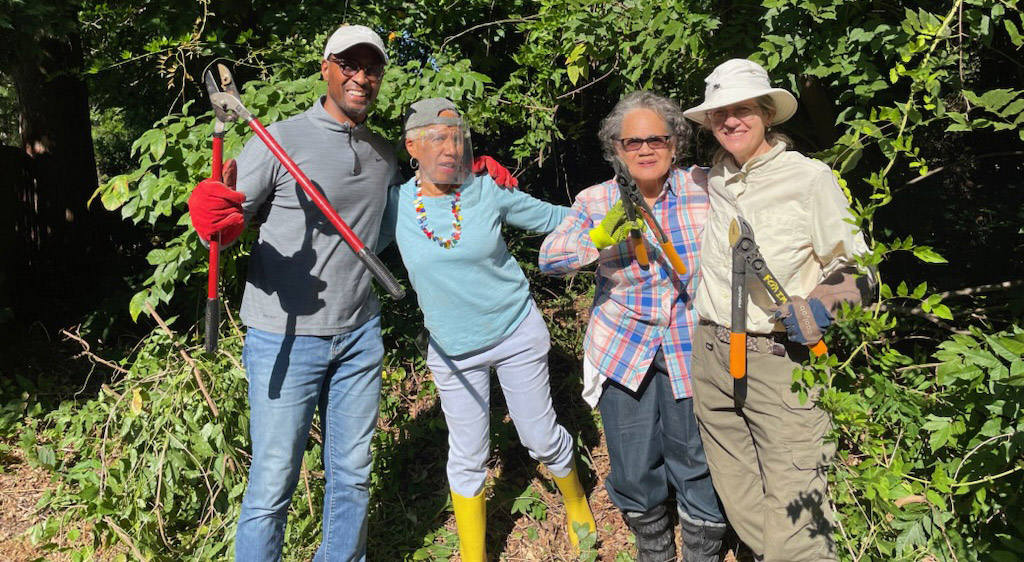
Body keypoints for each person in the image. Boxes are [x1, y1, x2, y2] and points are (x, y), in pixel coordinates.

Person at [186, 26, 513, 562]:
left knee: (352, 477)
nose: (361, 76)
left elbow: (416, 208)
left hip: (359, 335)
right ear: (326, 68)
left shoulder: (384, 154)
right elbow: (224, 224)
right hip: (283, 336)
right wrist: (212, 219)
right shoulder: (276, 139)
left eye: (372, 67)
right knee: (272, 485)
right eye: (349, 64)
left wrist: (474, 178)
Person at [377, 97, 596, 561]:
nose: (450, 148)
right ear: (412, 145)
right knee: (468, 455)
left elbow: (554, 218)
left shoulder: (484, 190)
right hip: (453, 351)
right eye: (438, 138)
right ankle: (475, 555)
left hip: (516, 332)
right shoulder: (394, 206)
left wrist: (608, 216)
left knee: (539, 436)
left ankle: (576, 501)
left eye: (457, 138)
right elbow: (348, 242)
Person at [683, 58, 873, 562]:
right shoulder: (712, 180)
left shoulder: (811, 180)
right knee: (740, 494)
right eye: (719, 113)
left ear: (768, 113)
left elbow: (862, 268)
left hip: (780, 359)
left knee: (798, 511)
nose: (730, 121)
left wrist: (821, 305)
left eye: (742, 109)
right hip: (711, 356)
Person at [539, 91, 726, 562]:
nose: (645, 149)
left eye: (656, 139)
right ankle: (654, 547)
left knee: (694, 455)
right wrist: (599, 238)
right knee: (632, 457)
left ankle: (703, 548)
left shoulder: (704, 187)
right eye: (632, 142)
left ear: (675, 144)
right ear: (616, 149)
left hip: (690, 343)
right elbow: (550, 258)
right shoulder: (596, 198)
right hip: (623, 346)